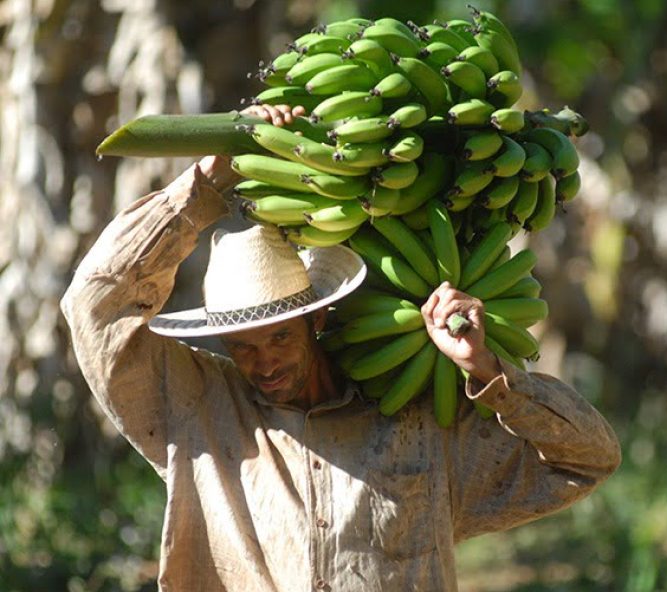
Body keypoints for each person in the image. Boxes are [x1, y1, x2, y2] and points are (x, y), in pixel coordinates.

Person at [62, 103, 621, 591]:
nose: (264, 363)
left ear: (318, 318)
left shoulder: (419, 431)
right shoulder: (196, 412)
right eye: (243, 346)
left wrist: (489, 370)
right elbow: (93, 305)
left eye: (279, 336)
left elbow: (589, 458)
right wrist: (208, 184)